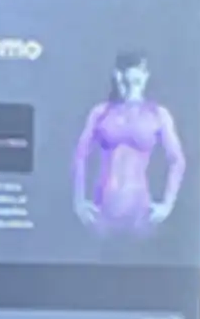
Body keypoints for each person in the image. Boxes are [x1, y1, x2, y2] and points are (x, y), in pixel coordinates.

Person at [71, 50, 187, 236]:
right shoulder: (101, 113)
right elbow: (80, 155)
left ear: (146, 77)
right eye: (128, 78)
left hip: (141, 212)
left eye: (138, 78)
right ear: (118, 76)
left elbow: (177, 160)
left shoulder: (157, 114)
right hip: (102, 213)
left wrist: (167, 204)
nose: (133, 84)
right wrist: (79, 202)